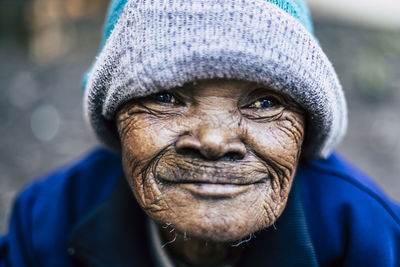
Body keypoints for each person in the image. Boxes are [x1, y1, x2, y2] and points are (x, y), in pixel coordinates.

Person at [1, 0, 399, 266]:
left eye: (263, 103)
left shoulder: (366, 238)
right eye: (166, 96)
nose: (212, 140)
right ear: (116, 121)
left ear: (307, 129)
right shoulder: (46, 224)